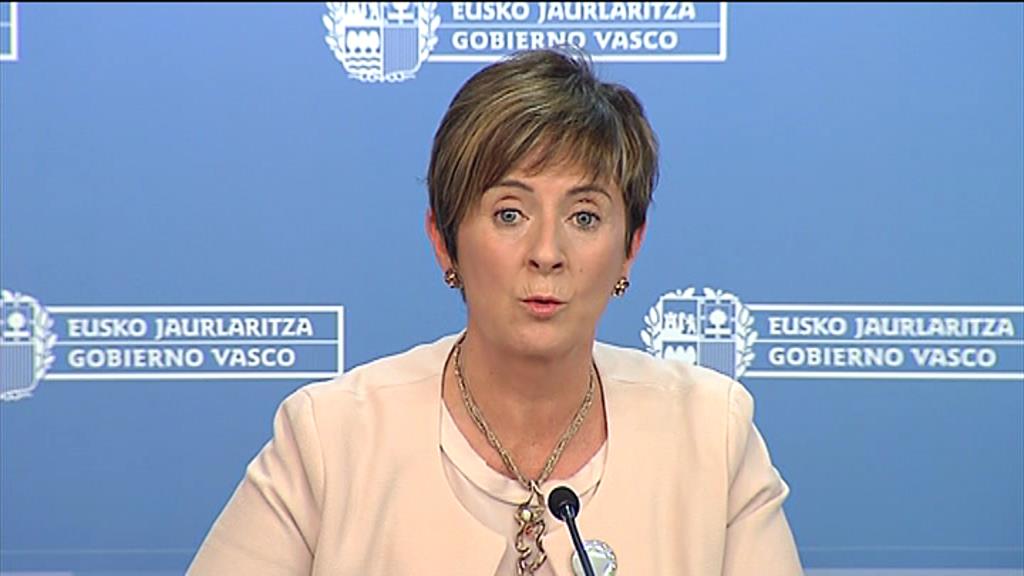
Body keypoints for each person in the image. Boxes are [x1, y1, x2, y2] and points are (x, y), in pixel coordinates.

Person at [188, 48, 803, 576]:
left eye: (584, 216)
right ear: (443, 239)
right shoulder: (331, 439)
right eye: (510, 213)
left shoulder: (712, 435)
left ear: (630, 248)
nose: (547, 252)